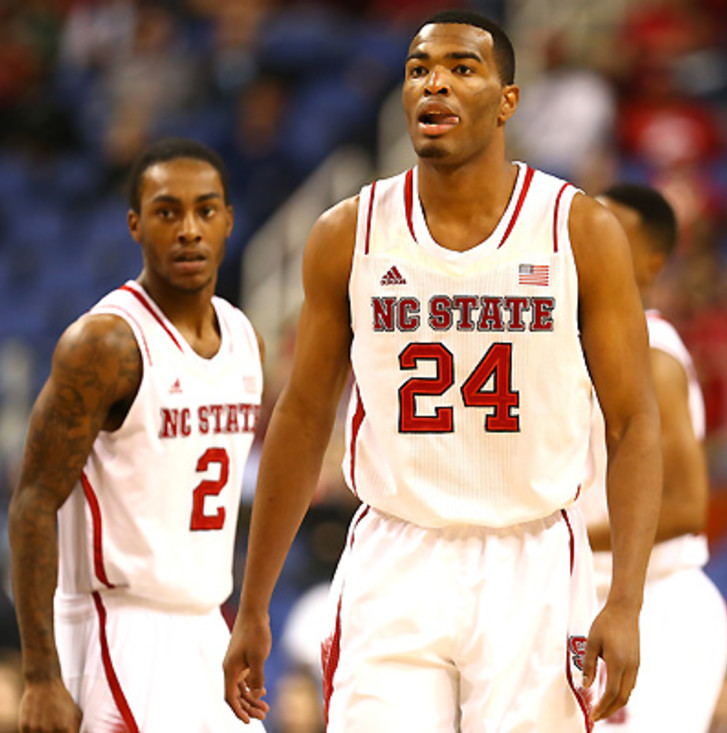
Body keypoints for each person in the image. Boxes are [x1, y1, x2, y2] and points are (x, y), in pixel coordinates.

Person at [224, 11, 662, 731]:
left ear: (507, 99)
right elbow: (300, 420)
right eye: (420, 68)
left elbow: (633, 420)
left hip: (533, 557)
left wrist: (626, 600)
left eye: (463, 68)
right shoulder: (347, 233)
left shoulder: (577, 229)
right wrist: (254, 600)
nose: (436, 84)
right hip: (397, 552)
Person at [8, 138, 266, 732]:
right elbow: (32, 503)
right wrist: (40, 675)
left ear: (229, 219)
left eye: (205, 210)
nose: (189, 230)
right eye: (167, 211)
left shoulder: (242, 335)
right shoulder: (105, 344)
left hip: (207, 620)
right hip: (118, 626)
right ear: (134, 224)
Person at [581, 184, 727, 732]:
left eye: (610, 232)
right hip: (581, 595)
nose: (590, 242)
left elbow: (689, 507)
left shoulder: (655, 355)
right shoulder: (567, 343)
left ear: (651, 262)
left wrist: (567, 532)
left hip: (660, 603)